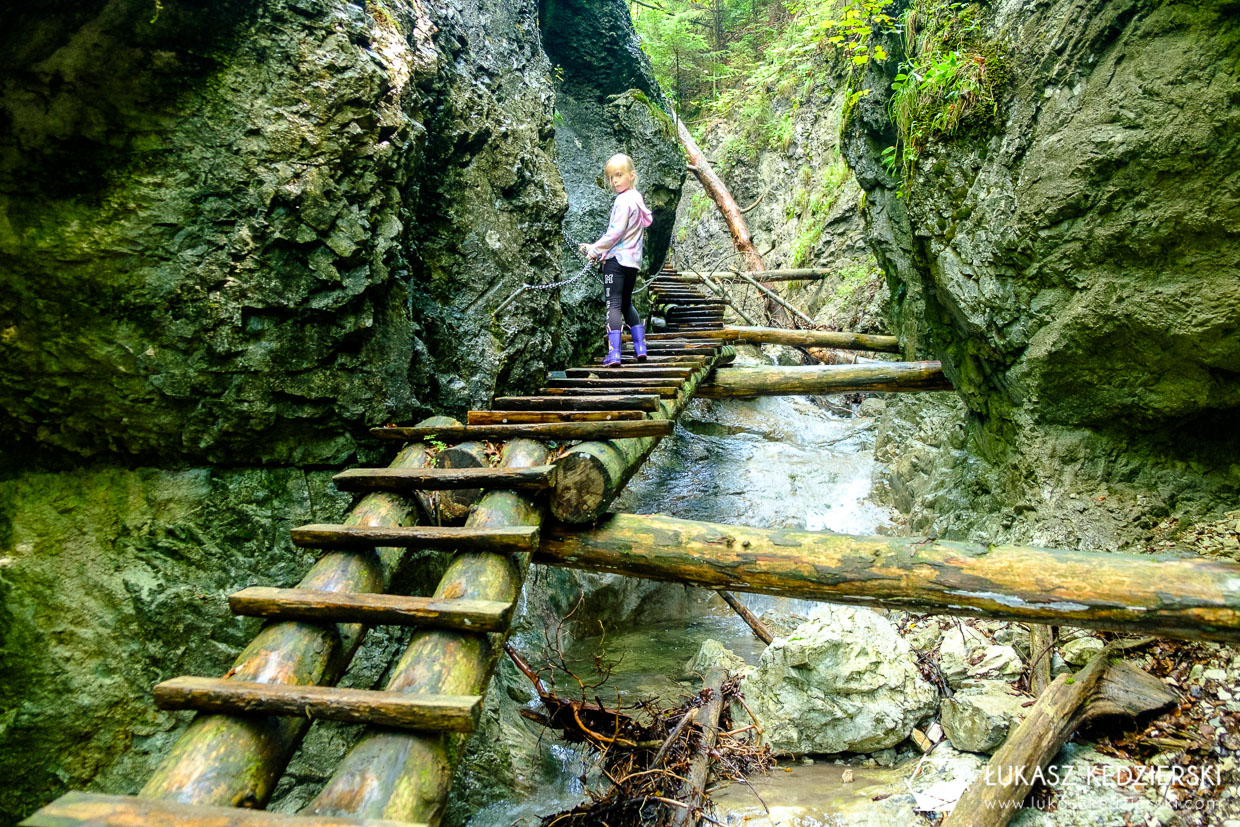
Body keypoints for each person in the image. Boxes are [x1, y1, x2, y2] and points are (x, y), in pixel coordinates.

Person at [580, 153, 653, 366]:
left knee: (613, 305)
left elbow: (615, 233)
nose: (614, 181)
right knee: (627, 303)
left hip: (616, 263)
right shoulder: (637, 199)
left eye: (619, 175)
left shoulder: (623, 201)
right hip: (632, 263)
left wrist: (594, 250)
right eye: (611, 177)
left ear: (632, 175)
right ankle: (640, 348)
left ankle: (614, 354)